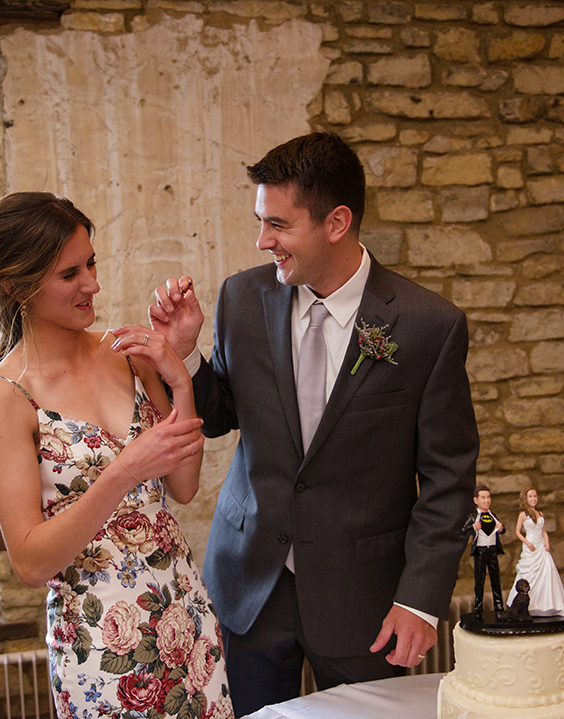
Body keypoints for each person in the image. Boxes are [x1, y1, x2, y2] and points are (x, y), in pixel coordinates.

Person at [149, 132, 478, 715]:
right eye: (260, 221)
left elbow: (448, 480)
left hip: (367, 602)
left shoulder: (430, 326)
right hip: (248, 586)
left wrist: (421, 601)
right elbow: (221, 416)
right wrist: (187, 355)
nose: (262, 241)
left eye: (278, 224)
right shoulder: (242, 298)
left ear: (337, 222)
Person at [0, 192, 233, 719]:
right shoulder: (1, 398)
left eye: (91, 263)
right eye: (70, 274)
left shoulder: (124, 353)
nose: (93, 283)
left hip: (184, 617)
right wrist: (126, 469)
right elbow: (31, 561)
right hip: (99, 643)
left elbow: (182, 488)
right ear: (16, 286)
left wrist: (178, 378)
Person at [508, 485, 564, 617]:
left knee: (547, 571)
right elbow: (517, 532)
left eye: (535, 496)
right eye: (530, 496)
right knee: (529, 573)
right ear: (525, 498)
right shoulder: (523, 515)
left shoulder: (540, 514)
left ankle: (548, 604)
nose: (533, 499)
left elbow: (543, 531)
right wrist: (527, 543)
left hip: (540, 545)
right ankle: (527, 606)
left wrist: (547, 542)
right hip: (531, 545)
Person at [460, 484, 505, 619]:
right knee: (479, 581)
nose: (486, 500)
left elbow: (504, 530)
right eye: (483, 497)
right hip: (480, 552)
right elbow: (462, 532)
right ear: (476, 500)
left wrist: (501, 528)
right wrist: (473, 527)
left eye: (488, 497)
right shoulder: (473, 517)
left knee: (495, 579)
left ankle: (499, 607)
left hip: (492, 551)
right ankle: (478, 608)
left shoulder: (493, 516)